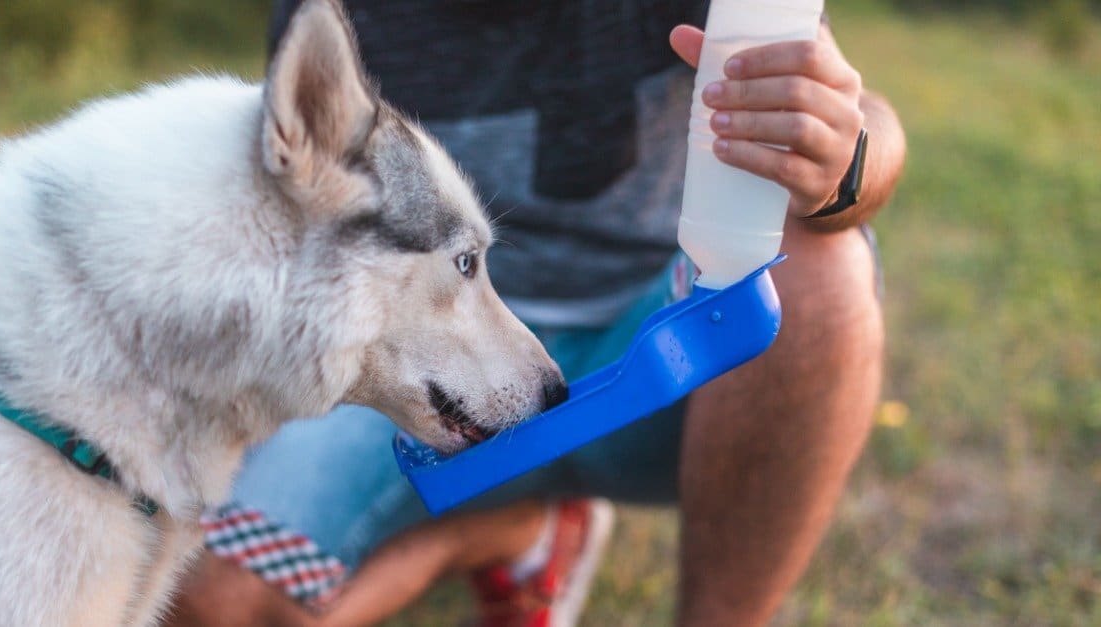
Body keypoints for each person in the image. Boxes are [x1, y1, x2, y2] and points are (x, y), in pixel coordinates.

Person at [167, 1, 906, 625]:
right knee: (212, 599)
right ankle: (505, 534)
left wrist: (847, 152)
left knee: (822, 274)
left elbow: (865, 117)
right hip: (420, 360)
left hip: (666, 340)